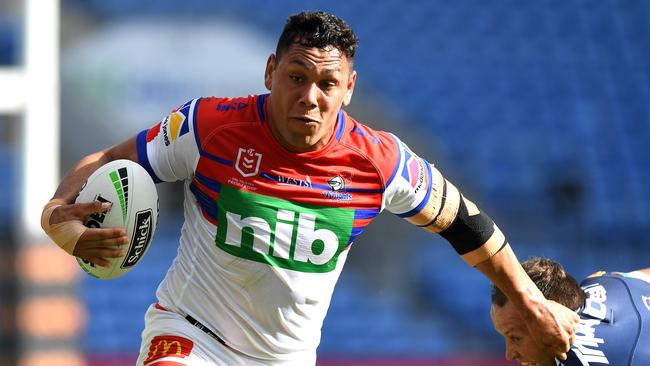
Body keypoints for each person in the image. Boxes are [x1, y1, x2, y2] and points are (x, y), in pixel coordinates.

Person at [41, 11, 578, 366]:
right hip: (190, 333)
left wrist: (529, 302)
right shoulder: (210, 125)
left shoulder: (381, 161)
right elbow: (109, 159)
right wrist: (58, 213)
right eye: (297, 77)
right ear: (271, 71)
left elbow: (467, 225)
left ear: (349, 88)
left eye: (326, 83)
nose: (310, 96)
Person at [491, 257, 650, 365]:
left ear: (549, 323)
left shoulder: (577, 360)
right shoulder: (607, 282)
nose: (509, 354)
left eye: (515, 338)